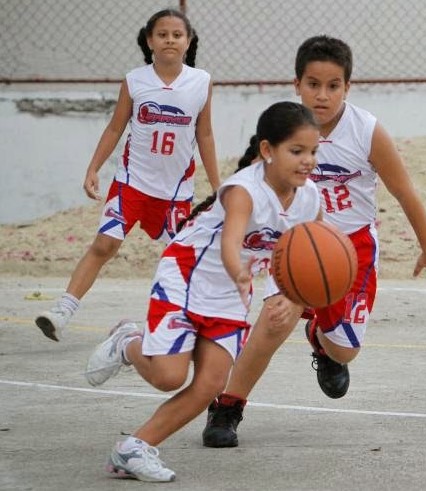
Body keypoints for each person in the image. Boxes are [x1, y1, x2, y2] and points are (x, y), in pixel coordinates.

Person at [202, 35, 426, 448]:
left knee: (345, 353)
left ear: (347, 88)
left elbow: (404, 191)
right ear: (297, 84)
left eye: (333, 85)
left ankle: (322, 340)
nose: (322, 95)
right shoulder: (282, 131)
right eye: (313, 84)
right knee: (271, 323)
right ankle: (228, 406)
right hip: (297, 242)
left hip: (350, 250)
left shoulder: (367, 132)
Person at [82, 101, 323, 481]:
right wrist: (239, 273)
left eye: (313, 151)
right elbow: (231, 243)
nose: (307, 160)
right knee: (168, 377)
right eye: (297, 151)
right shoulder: (243, 190)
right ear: (267, 151)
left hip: (229, 294)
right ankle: (128, 342)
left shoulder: (310, 199)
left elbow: (306, 251)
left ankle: (134, 448)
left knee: (211, 383)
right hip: (186, 277)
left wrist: (290, 297)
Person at [35, 8, 220, 342]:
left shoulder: (201, 82)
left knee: (178, 258)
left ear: (188, 41)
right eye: (162, 34)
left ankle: (171, 322)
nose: (169, 40)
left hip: (175, 193)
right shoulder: (135, 80)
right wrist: (93, 168)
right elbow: (115, 127)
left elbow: (204, 135)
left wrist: (219, 184)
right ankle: (62, 311)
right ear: (150, 40)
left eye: (177, 35)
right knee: (104, 245)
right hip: (131, 183)